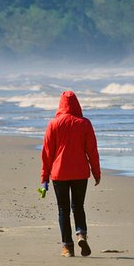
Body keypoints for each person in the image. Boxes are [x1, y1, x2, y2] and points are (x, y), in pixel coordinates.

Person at [41, 91, 101, 257]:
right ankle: (81, 233)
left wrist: (44, 177)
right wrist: (96, 172)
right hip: (80, 172)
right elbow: (92, 151)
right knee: (78, 206)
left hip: (59, 173)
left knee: (63, 209)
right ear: (76, 104)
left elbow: (47, 153)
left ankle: (67, 247)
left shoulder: (53, 124)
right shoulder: (84, 124)